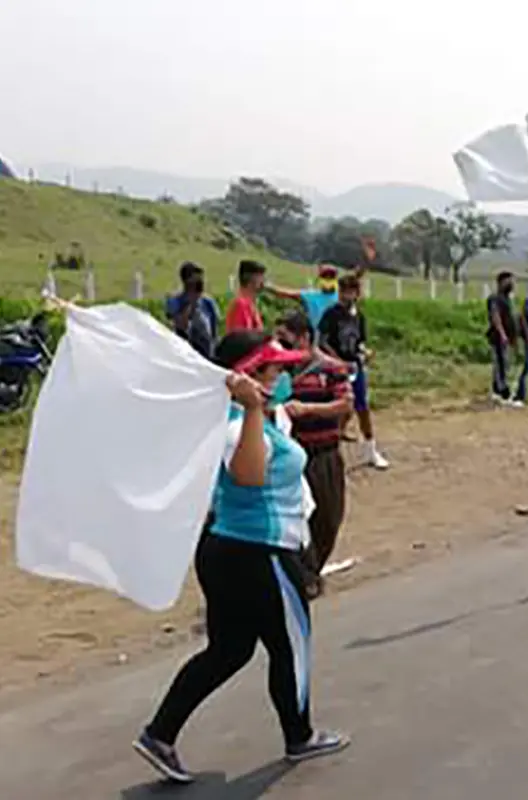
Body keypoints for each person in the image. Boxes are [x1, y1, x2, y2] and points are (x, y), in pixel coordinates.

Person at [133, 331, 349, 784]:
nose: (287, 375)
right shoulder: (238, 425)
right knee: (289, 646)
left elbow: (284, 425)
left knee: (229, 651)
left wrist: (268, 408)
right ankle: (300, 735)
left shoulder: (255, 419)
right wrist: (253, 407)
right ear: (250, 377)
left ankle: (160, 734)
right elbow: (249, 477)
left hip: (231, 551)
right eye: (277, 369)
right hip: (259, 554)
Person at [276, 310, 354, 595]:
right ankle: (303, 576)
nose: (282, 350)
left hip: (323, 454)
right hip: (291, 455)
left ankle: (311, 569)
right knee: (296, 518)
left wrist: (309, 409)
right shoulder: (280, 373)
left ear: (305, 338)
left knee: (327, 515)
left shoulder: (331, 369)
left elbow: (345, 404)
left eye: (287, 342)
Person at [318, 275, 388, 470]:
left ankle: (370, 450)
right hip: (336, 368)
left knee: (362, 408)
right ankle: (331, 452)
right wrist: (337, 361)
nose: (346, 295)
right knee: (340, 409)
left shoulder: (359, 316)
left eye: (350, 291)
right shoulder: (331, 314)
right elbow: (322, 342)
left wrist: (365, 352)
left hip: (355, 366)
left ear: (357, 293)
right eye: (343, 291)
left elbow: (359, 342)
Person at [268, 264, 360, 334]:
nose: (328, 279)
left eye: (331, 277)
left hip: (337, 337)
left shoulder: (341, 295)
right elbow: (286, 293)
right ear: (320, 279)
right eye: (325, 277)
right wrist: (267, 287)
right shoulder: (311, 295)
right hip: (316, 336)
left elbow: (354, 280)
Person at [165, 262, 219, 359]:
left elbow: (213, 330)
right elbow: (180, 326)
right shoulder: (175, 301)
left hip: (207, 352)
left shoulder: (208, 302)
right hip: (185, 354)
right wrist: (191, 303)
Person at [487, 271, 520, 404]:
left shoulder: (508, 299)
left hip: (508, 337)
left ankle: (497, 391)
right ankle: (503, 392)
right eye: (509, 281)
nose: (512, 284)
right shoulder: (494, 298)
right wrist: (502, 334)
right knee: (500, 364)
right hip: (499, 337)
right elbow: (496, 317)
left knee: (504, 364)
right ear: (501, 282)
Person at [225, 259, 267, 333]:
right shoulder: (241, 304)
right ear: (251, 281)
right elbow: (241, 337)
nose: (263, 281)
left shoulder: (250, 304)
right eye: (260, 277)